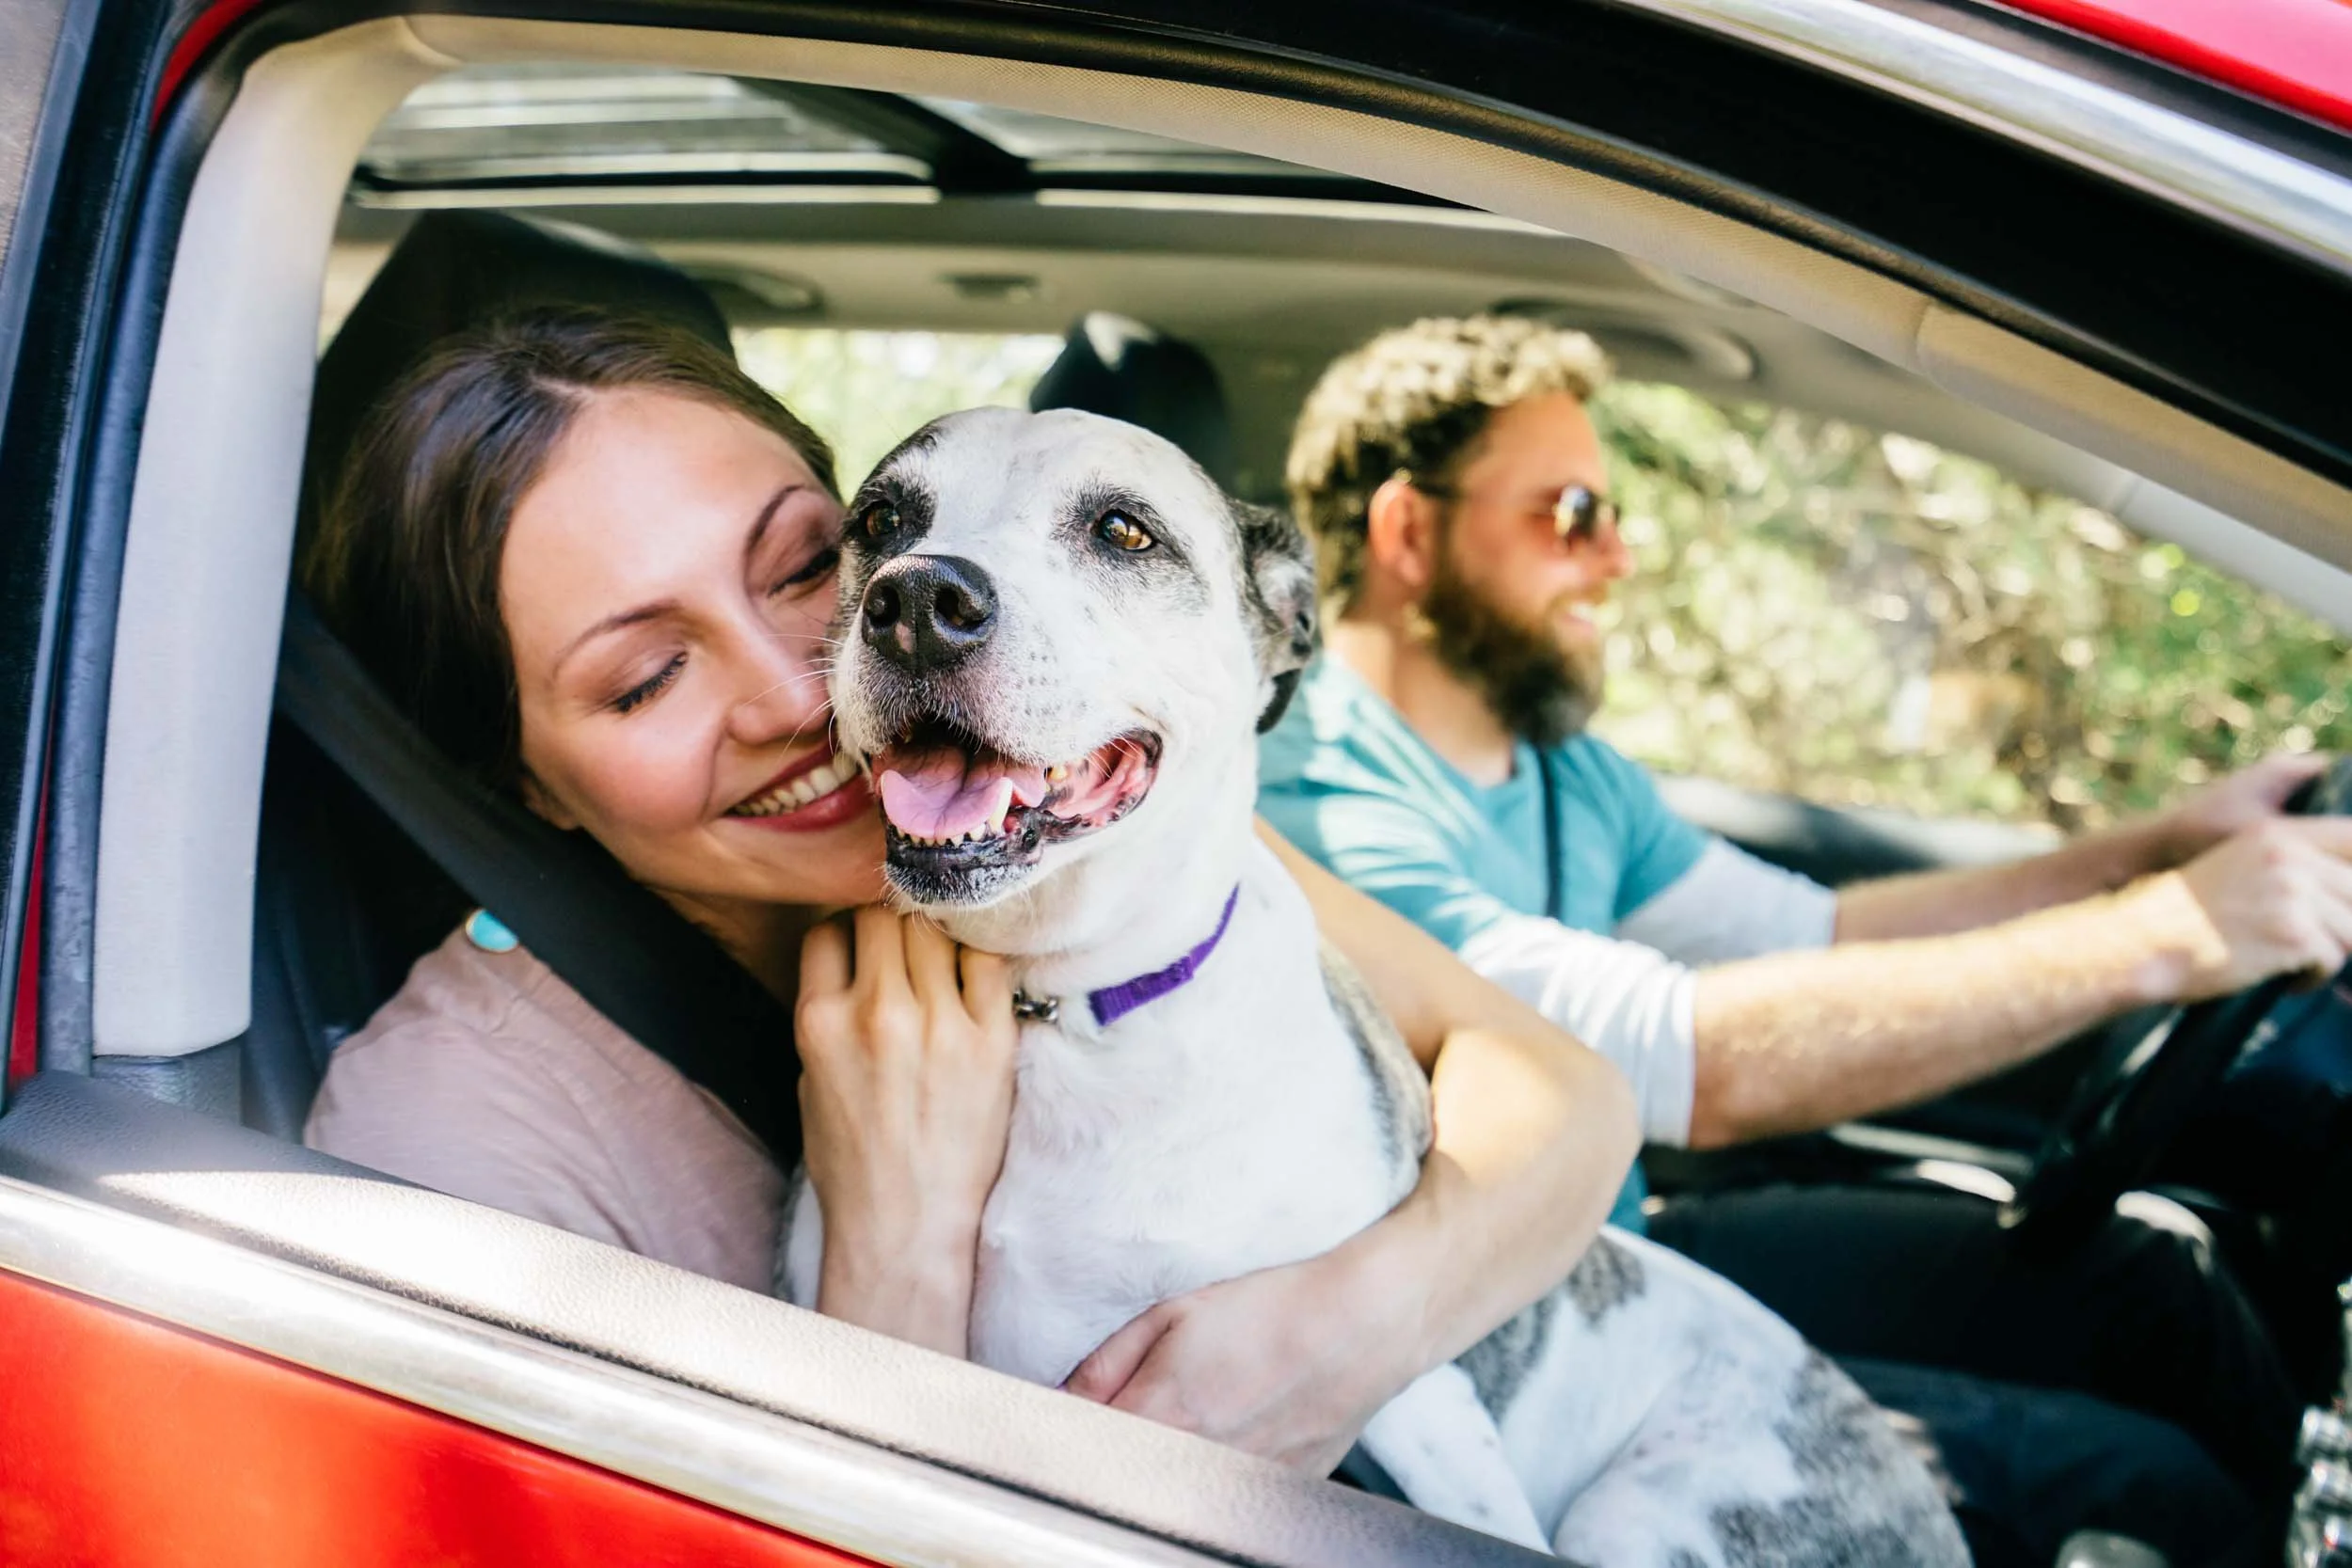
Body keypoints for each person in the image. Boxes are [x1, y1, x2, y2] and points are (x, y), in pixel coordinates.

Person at [298, 309, 1644, 1478]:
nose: (792, 695)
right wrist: (899, 1248)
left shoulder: (1045, 822)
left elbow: (1564, 1096)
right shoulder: (452, 1138)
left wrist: (1337, 1333)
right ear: (523, 783)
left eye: (817, 563)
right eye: (647, 677)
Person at [1259, 313, 2339, 1560]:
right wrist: (2170, 935)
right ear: (1408, 531)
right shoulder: (1318, 799)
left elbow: (1810, 930)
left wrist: (2150, 855)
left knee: (2159, 1290)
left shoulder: (1561, 767)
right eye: (1571, 515)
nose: (1614, 560)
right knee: (2155, 1489)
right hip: (1500, 1327)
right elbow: (1683, 1062)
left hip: (1625, 1251)